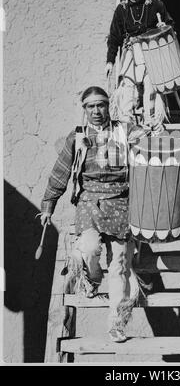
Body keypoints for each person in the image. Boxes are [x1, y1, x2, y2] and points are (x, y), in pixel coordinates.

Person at [40, 86, 162, 343]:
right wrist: (48, 205)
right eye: (90, 106)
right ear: (84, 109)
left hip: (121, 202)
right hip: (89, 201)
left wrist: (152, 133)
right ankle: (92, 278)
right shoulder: (77, 137)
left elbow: (151, 143)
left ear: (109, 106)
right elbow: (60, 172)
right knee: (90, 248)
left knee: (119, 265)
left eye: (101, 105)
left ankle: (117, 324)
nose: (96, 111)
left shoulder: (125, 130)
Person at [105, 0, 174, 126]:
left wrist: (164, 27)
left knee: (151, 85)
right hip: (131, 51)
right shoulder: (121, 9)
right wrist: (110, 61)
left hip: (152, 50)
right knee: (128, 85)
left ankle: (152, 121)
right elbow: (114, 36)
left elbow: (170, 24)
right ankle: (126, 122)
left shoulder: (155, 4)